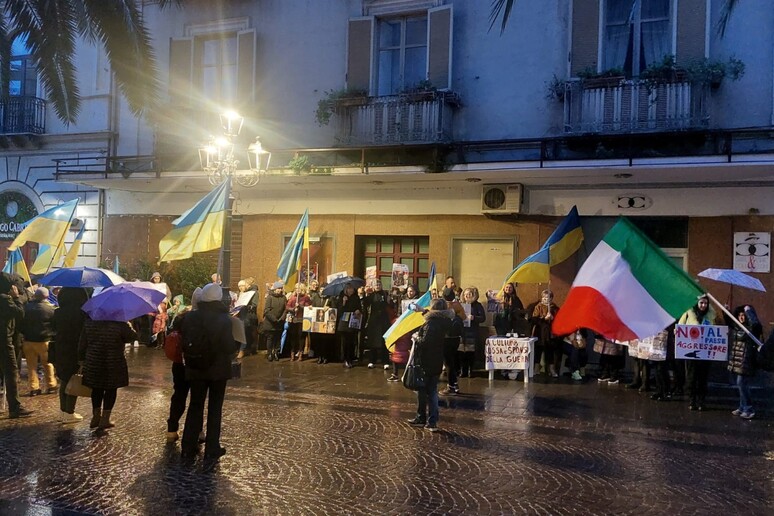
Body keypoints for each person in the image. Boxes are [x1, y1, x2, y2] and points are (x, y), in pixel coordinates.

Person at [180, 283, 238, 462]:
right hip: (217, 371)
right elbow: (229, 346)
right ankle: (212, 447)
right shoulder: (224, 319)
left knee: (195, 405)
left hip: (195, 367)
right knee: (215, 408)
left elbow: (183, 339)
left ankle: (188, 446)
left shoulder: (190, 317)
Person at [79, 316, 137, 430]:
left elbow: (82, 342)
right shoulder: (120, 323)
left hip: (94, 359)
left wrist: (81, 359)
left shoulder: (90, 322)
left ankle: (96, 416)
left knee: (96, 388)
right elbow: (132, 337)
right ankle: (105, 419)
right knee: (111, 389)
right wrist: (129, 325)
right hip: (113, 361)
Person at [407, 298, 452, 432]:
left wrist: (416, 338)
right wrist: (422, 311)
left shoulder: (431, 324)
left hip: (426, 360)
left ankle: (431, 420)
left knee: (429, 391)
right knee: (426, 390)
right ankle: (422, 417)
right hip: (437, 359)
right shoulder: (445, 321)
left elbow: (425, 342)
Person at [165, 288, 201, 443]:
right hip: (196, 364)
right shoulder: (203, 320)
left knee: (178, 395)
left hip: (179, 363)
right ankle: (197, 431)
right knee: (196, 399)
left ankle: (171, 430)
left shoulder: (183, 316)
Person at [51, 287, 89, 423]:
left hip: (60, 349)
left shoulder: (58, 312)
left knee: (64, 380)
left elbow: (53, 329)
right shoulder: (83, 313)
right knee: (73, 380)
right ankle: (69, 412)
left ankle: (62, 411)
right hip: (76, 349)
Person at [0, 272, 33, 418]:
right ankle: (15, 407)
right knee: (11, 372)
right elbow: (20, 313)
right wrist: (16, 298)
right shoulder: (5, 299)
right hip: (3, 341)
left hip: (6, 339)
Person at [678, 294, 716, 411]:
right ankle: (692, 400)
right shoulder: (689, 312)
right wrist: (677, 331)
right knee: (691, 376)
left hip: (705, 351)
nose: (703, 305)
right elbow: (680, 325)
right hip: (690, 350)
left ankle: (701, 401)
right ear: (697, 303)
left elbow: (715, 328)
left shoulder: (711, 314)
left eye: (705, 303)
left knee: (703, 377)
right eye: (701, 303)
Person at [21, 287, 57, 396]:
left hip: (28, 341)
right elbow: (55, 325)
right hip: (44, 341)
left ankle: (33, 388)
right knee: (48, 364)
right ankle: (51, 386)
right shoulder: (50, 309)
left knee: (31, 366)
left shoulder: (26, 308)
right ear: (46, 296)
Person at [727, 305, 762, 419]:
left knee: (742, 384)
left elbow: (756, 325)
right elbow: (729, 321)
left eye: (744, 315)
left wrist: (749, 311)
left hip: (746, 361)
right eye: (740, 315)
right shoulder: (738, 327)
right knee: (740, 384)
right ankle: (742, 407)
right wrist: (726, 310)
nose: (742, 317)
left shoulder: (751, 328)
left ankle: (749, 408)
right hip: (738, 361)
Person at [440, 287, 465, 395]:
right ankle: (454, 384)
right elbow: (464, 317)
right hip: (456, 337)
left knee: (448, 363)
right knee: (452, 362)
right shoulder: (457, 305)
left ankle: (451, 387)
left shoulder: (443, 306)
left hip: (446, 337)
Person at [531, 289, 561, 377]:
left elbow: (559, 320)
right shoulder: (538, 307)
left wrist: (553, 318)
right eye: (543, 298)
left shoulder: (555, 308)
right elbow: (534, 319)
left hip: (550, 333)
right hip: (540, 332)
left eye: (547, 298)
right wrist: (544, 318)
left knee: (550, 351)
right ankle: (536, 368)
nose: (545, 299)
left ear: (551, 298)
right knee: (538, 350)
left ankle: (551, 369)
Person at [363, 280, 392, 369]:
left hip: (384, 321)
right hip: (374, 321)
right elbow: (365, 304)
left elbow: (391, 306)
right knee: (373, 342)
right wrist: (365, 294)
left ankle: (385, 361)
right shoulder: (371, 295)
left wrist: (389, 301)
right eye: (376, 284)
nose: (378, 286)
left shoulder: (386, 294)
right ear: (373, 286)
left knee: (384, 342)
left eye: (379, 284)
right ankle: (372, 360)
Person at [459, 287, 485, 378]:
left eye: (469, 294)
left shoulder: (478, 305)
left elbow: (483, 318)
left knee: (471, 352)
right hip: (462, 331)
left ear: (473, 295)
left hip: (472, 331)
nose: (467, 296)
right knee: (462, 352)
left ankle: (471, 370)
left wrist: (474, 317)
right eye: (465, 294)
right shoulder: (460, 305)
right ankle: (463, 371)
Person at [336, 283, 362, 368]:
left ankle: (350, 358)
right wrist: (343, 302)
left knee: (352, 341)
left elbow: (359, 307)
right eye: (349, 288)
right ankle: (345, 359)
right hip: (344, 321)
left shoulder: (356, 297)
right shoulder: (342, 296)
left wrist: (358, 310)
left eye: (352, 288)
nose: (351, 290)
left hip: (353, 320)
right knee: (345, 341)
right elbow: (339, 310)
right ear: (346, 289)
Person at [260, 282, 286, 362]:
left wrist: (281, 318)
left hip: (280, 322)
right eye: (278, 288)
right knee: (270, 338)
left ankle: (276, 352)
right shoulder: (270, 297)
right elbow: (267, 310)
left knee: (278, 338)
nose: (280, 290)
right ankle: (269, 353)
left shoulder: (283, 298)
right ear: (274, 289)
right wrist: (274, 319)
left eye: (281, 288)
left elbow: (285, 309)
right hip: (270, 322)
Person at [286, 283, 311, 361]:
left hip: (302, 319)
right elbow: (287, 307)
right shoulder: (293, 298)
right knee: (293, 336)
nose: (297, 290)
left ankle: (300, 352)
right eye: (296, 288)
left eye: (299, 289)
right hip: (294, 319)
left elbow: (308, 307)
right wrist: (293, 309)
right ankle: (293, 352)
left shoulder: (306, 298)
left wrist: (300, 306)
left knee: (301, 337)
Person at [235, 278, 259, 358]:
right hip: (241, 315)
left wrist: (246, 305)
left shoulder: (253, 293)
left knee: (244, 332)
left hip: (248, 315)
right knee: (244, 332)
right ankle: (244, 349)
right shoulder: (241, 293)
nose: (241, 287)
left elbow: (254, 305)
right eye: (240, 286)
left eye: (243, 285)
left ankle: (242, 350)